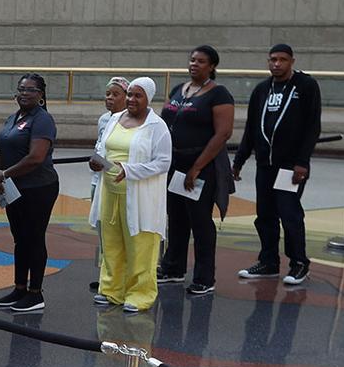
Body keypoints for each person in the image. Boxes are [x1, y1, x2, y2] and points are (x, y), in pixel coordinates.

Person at [233, 43, 322, 285]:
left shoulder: (305, 86)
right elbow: (251, 129)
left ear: (292, 61)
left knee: (289, 214)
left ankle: (299, 263)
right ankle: (269, 262)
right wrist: (239, 161)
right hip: (265, 165)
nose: (277, 64)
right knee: (265, 215)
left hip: (291, 167)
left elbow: (312, 126)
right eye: (273, 59)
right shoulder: (262, 89)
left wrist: (302, 162)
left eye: (282, 59)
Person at [88, 77, 172, 313]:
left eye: (138, 95)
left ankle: (139, 294)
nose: (132, 99)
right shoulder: (114, 119)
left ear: (148, 99)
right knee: (111, 244)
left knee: (140, 245)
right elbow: (102, 148)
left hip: (140, 197)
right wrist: (97, 162)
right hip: (110, 192)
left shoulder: (157, 126)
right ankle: (111, 289)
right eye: (130, 95)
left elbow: (163, 162)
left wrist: (129, 170)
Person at [157, 45, 236, 296]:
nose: (194, 64)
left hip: (202, 166)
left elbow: (223, 133)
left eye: (201, 61)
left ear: (212, 66)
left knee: (200, 222)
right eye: (192, 60)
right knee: (176, 217)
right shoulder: (178, 89)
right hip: (175, 164)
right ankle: (173, 268)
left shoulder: (219, 94)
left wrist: (197, 167)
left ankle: (204, 276)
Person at [0, 74, 59, 313]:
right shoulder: (13, 118)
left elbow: (36, 158)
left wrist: (5, 174)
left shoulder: (42, 120)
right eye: (21, 89)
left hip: (38, 188)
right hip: (13, 187)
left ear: (41, 94)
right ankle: (19, 287)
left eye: (30, 90)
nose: (24, 93)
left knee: (34, 238)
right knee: (20, 239)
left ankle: (35, 292)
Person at [90, 77, 129, 292]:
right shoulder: (104, 119)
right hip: (99, 180)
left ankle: (121, 274)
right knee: (101, 227)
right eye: (108, 94)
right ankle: (106, 272)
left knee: (118, 229)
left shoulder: (131, 120)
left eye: (115, 94)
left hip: (117, 180)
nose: (110, 98)